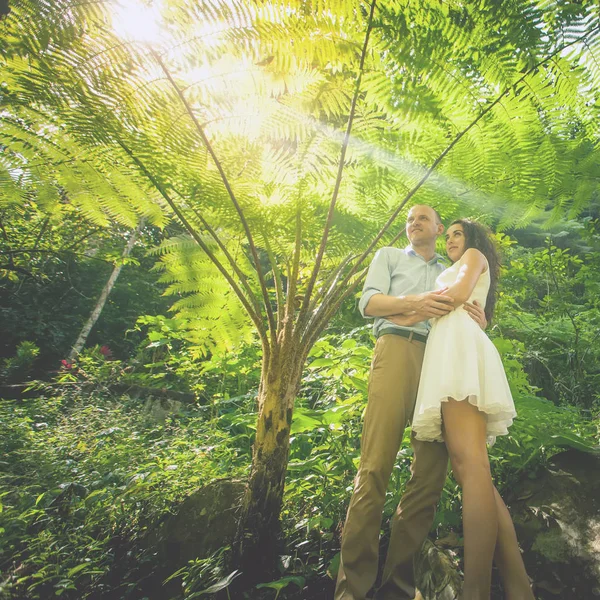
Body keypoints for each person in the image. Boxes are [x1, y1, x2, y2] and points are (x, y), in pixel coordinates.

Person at [335, 205, 487, 600]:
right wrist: (413, 305)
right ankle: (352, 589)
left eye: (423, 218)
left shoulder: (452, 265)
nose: (413, 222)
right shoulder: (387, 257)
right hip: (397, 354)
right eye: (409, 219)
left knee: (429, 476)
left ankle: (397, 587)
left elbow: (467, 304)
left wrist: (480, 317)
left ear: (439, 229)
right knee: (374, 467)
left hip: (441, 363)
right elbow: (368, 304)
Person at [409, 219, 534, 599]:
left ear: (473, 240)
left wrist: (403, 312)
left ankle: (476, 591)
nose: (450, 240)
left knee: (472, 465)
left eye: (456, 234)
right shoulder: (460, 262)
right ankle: (518, 586)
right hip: (449, 348)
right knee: (469, 471)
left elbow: (460, 293)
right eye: (447, 236)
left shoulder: (475, 255)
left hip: (458, 351)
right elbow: (457, 301)